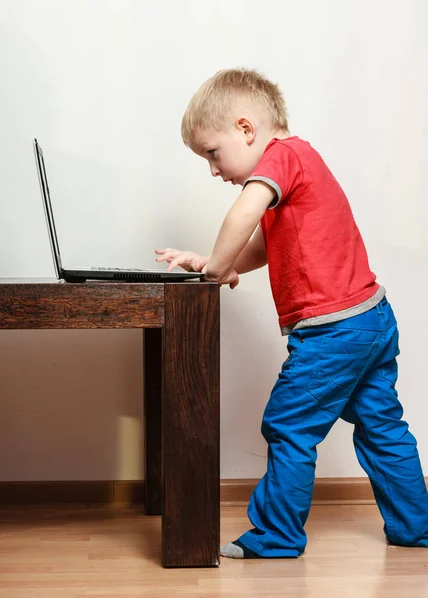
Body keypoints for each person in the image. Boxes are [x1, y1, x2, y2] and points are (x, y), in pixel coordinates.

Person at [155, 68, 428, 559]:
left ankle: (277, 535)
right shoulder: (300, 163)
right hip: (369, 319)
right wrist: (216, 263)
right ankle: (416, 527)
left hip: (334, 331)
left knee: (289, 425)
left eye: (212, 154)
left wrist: (215, 270)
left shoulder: (283, 156)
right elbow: (262, 245)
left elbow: (243, 213)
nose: (213, 170)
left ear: (246, 129)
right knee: (381, 426)